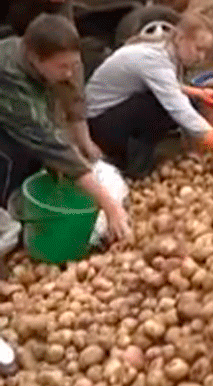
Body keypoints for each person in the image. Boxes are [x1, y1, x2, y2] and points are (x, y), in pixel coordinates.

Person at [0, 14, 130, 241]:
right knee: (15, 156)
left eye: (74, 64)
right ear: (34, 58)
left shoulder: (62, 60)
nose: (69, 72)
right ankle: (12, 209)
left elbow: (74, 98)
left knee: (56, 163)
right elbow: (48, 143)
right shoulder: (9, 76)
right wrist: (109, 206)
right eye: (62, 66)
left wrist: (85, 143)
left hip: (30, 121)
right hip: (7, 123)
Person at [86, 12, 213, 179]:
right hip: (99, 124)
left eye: (205, 51)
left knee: (173, 102)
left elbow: (165, 84)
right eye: (198, 49)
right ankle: (131, 164)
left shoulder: (165, 48)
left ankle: (138, 155)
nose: (201, 57)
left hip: (113, 111)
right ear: (181, 38)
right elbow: (185, 116)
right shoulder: (154, 60)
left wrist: (198, 92)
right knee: (159, 107)